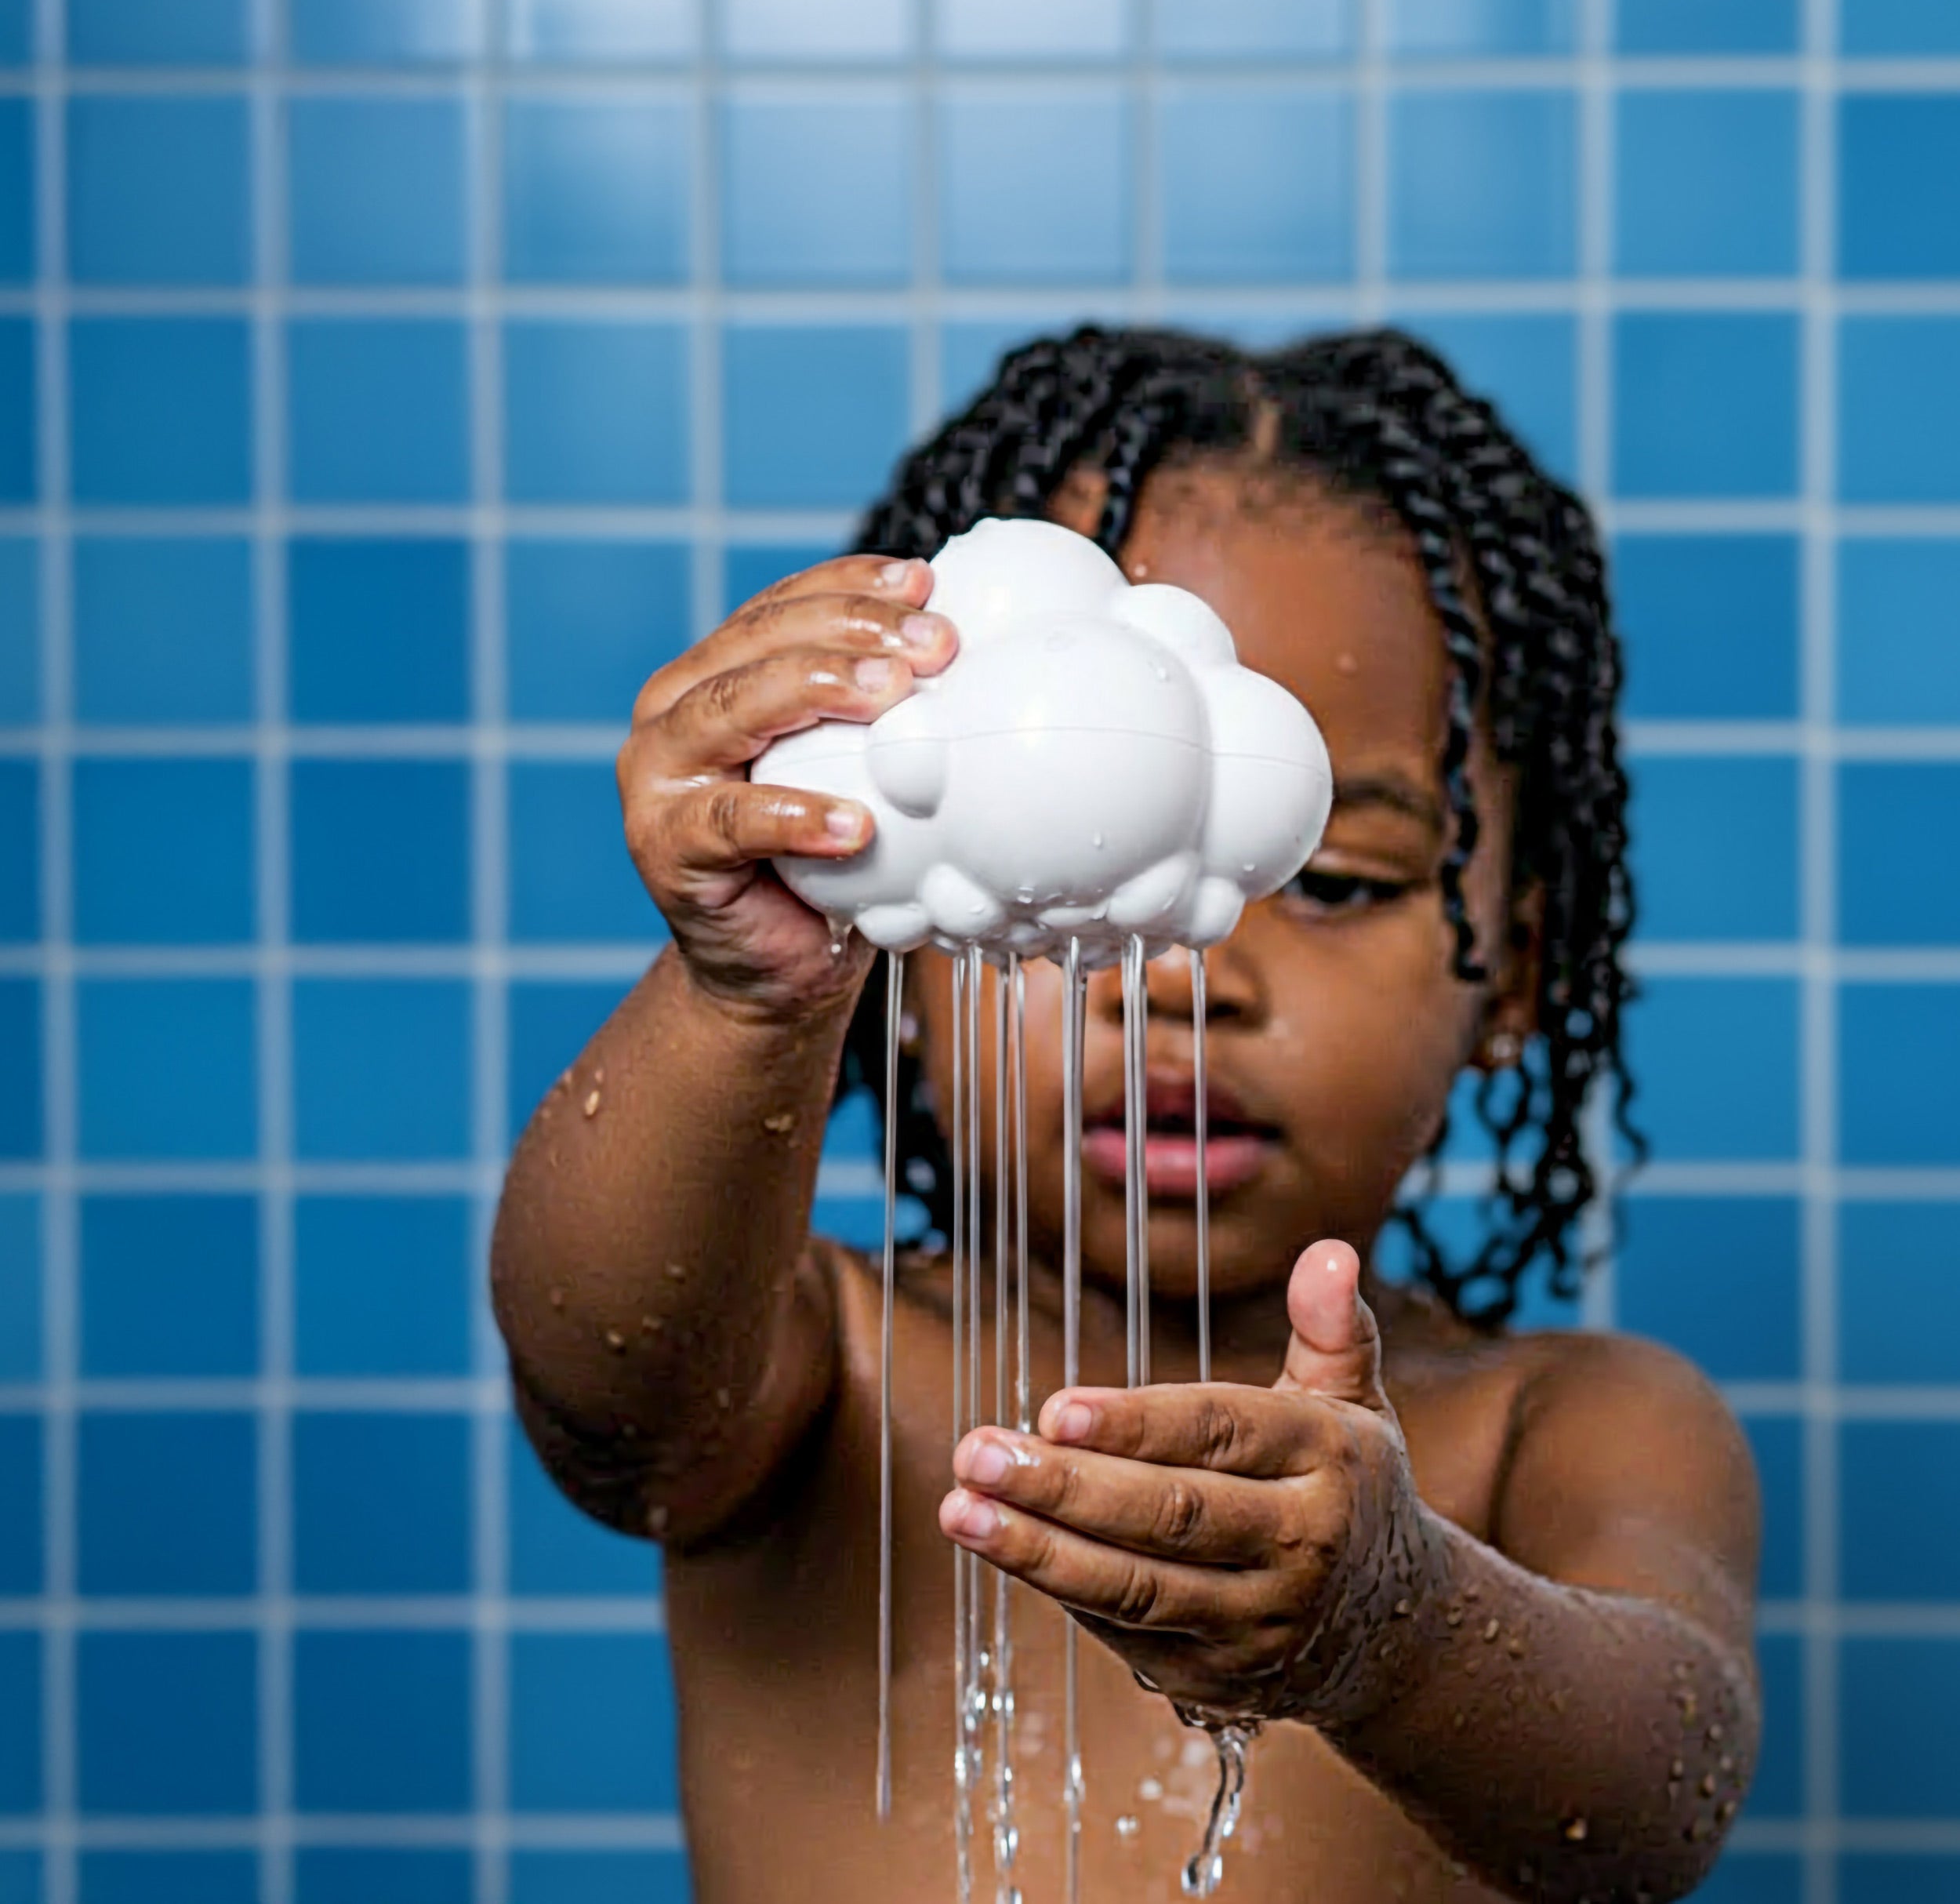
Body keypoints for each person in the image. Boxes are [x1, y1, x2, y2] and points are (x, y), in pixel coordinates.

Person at [491, 327, 1761, 1903]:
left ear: (1514, 970)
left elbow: (1645, 1796)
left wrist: (1398, 1621)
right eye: (1067, 875)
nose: (1179, 974)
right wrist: (741, 993)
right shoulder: (814, 1368)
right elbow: (606, 1395)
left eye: (1336, 881)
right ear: (904, 915)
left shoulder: (1564, 1427)